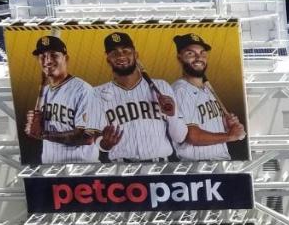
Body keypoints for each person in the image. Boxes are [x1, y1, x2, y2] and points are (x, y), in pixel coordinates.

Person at [95, 31, 186, 162]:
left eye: (126, 51)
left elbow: (180, 137)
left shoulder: (161, 87)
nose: (120, 56)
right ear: (108, 59)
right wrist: (105, 144)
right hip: (122, 169)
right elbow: (95, 139)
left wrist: (173, 114)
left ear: (136, 55)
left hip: (160, 167)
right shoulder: (97, 94)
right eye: (114, 53)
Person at [23, 35, 104, 164]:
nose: (47, 61)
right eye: (42, 56)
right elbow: (43, 130)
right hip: (51, 168)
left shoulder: (83, 90)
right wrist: (35, 122)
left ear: (66, 58)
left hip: (81, 169)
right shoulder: (45, 92)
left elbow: (87, 137)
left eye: (54, 55)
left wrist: (43, 134)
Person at [170, 32, 245, 161]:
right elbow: (192, 135)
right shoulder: (180, 90)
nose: (198, 58)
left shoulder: (207, 89)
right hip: (197, 166)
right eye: (190, 53)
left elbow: (208, 127)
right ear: (179, 58)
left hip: (220, 161)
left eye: (202, 53)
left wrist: (227, 125)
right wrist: (229, 136)